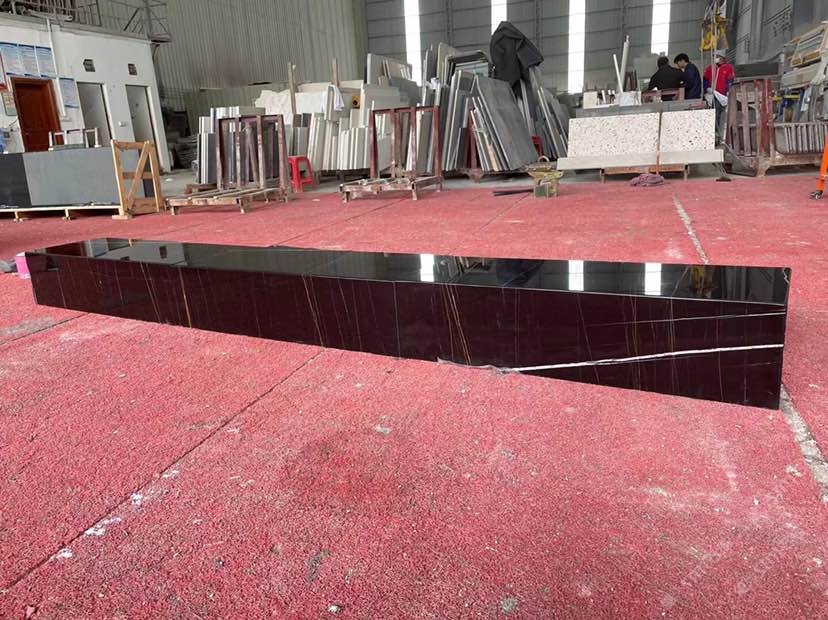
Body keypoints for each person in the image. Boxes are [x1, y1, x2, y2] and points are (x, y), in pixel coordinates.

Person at [703, 51, 736, 139]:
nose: (715, 58)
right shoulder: (710, 68)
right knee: (714, 114)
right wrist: (707, 88)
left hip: (722, 95)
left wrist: (728, 91)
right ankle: (714, 134)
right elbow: (705, 80)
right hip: (712, 95)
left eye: (716, 56)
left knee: (722, 115)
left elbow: (730, 81)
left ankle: (720, 135)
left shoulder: (728, 68)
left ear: (722, 57)